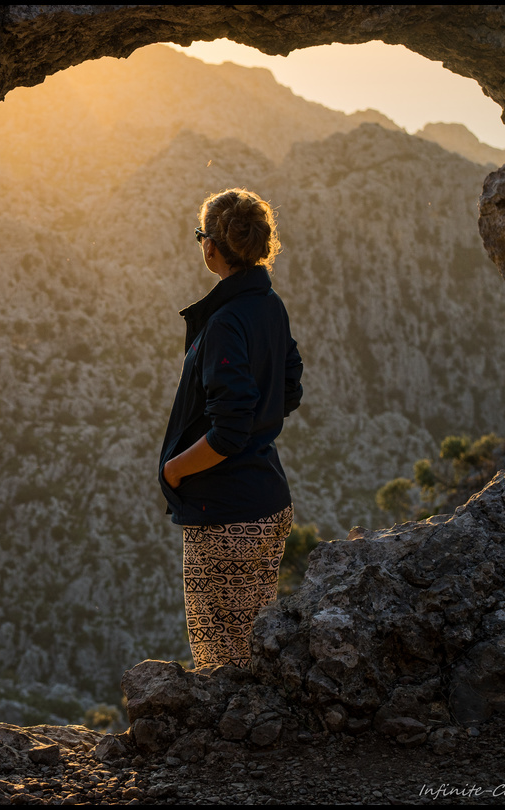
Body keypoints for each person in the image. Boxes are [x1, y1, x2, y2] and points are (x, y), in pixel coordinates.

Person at [158, 187, 303, 670]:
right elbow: (290, 388)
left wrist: (174, 472)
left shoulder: (224, 321)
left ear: (212, 246)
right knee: (249, 655)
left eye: (201, 235)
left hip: (225, 519)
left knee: (219, 664)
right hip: (267, 505)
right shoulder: (269, 306)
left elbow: (229, 431)